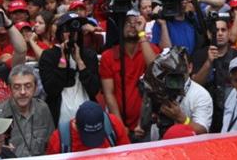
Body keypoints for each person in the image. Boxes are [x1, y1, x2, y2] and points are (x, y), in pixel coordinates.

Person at [99, 10, 160, 140]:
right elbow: (109, 93)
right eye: (127, 22)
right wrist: (120, 125)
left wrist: (142, 33)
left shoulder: (150, 49)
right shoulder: (108, 56)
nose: (132, 25)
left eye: (136, 22)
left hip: (148, 123)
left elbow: (155, 69)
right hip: (121, 124)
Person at [38, 12, 101, 128]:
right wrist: (62, 60)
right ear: (60, 33)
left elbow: (94, 89)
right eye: (67, 30)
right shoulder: (48, 56)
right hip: (59, 122)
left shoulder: (88, 55)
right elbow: (51, 89)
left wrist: (80, 62)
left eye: (75, 30)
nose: (72, 34)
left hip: (87, 121)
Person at [191, 17, 237, 132]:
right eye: (216, 30)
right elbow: (195, 85)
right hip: (205, 115)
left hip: (232, 113)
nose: (219, 33)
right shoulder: (199, 55)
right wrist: (209, 62)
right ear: (210, 34)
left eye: (223, 30)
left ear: (229, 33)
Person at [0, 64, 53, 157]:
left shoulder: (43, 109)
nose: (22, 92)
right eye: (17, 87)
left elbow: (50, 144)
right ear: (10, 89)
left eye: (28, 86)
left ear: (35, 88)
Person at [46, 100, 130, 154]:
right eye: (88, 136)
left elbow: (128, 155)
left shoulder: (113, 126)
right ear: (75, 123)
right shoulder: (59, 139)